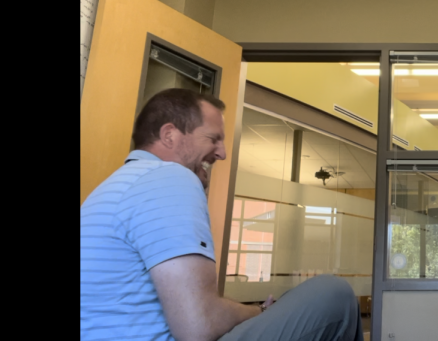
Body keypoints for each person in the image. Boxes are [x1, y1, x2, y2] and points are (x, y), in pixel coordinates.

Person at [81, 88, 363, 341]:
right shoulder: (169, 177)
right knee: (334, 294)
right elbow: (198, 325)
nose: (223, 153)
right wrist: (258, 312)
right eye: (213, 139)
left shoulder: (112, 188)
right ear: (169, 135)